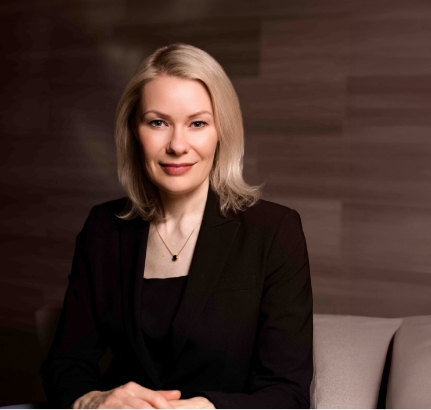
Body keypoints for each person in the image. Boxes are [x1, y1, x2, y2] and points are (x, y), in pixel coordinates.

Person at [40, 43, 313, 409]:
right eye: (158, 122)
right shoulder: (103, 227)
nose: (177, 145)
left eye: (197, 123)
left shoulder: (274, 230)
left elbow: (288, 394)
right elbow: (66, 364)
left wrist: (203, 408)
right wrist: (94, 401)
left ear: (221, 131)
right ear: (134, 130)